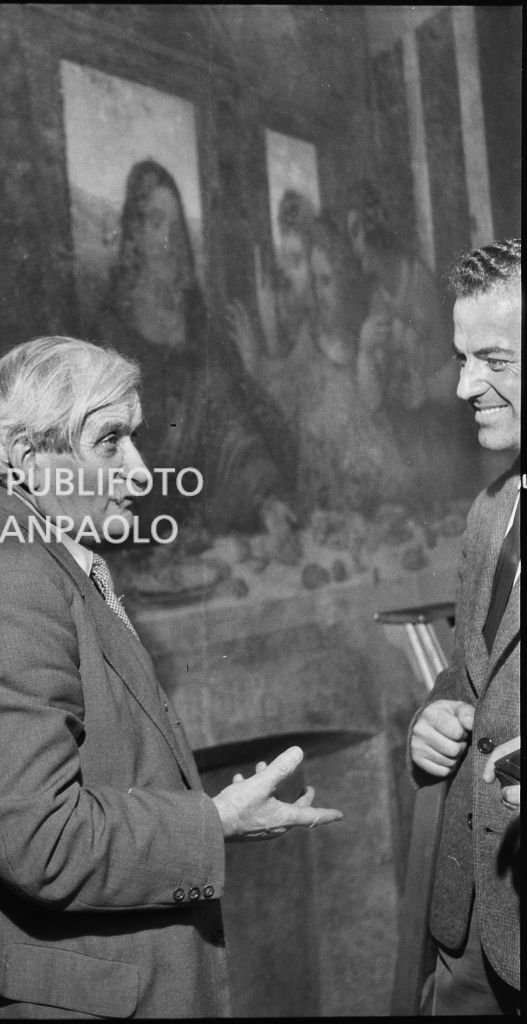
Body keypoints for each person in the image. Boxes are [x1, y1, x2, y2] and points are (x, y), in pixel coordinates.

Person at [0, 335, 343, 1017]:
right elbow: (38, 840)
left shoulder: (12, 553)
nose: (141, 474)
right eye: (110, 442)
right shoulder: (10, 586)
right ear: (28, 459)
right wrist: (214, 822)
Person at [408, 238, 520, 1015]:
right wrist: (432, 716)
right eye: (460, 357)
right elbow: (469, 673)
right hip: (475, 927)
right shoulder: (490, 510)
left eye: (494, 360)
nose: (462, 386)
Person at [92, 160, 296, 540]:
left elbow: (233, 423)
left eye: (176, 225)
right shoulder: (110, 328)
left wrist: (264, 498)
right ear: (134, 233)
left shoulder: (197, 323)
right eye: (155, 222)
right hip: (129, 531)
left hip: (203, 528)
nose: (169, 239)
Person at [229, 205, 410, 516]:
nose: (318, 292)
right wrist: (254, 360)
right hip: (325, 500)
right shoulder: (312, 335)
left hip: (377, 497)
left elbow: (382, 410)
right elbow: (283, 388)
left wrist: (366, 357)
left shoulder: (369, 333)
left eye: (326, 281)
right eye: (314, 280)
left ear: (347, 280)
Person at [346, 180, 479, 503]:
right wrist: (365, 352)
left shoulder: (420, 284)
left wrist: (425, 389)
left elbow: (458, 370)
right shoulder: (377, 296)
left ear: (375, 228)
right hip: (402, 446)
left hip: (439, 443)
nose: (354, 246)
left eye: (356, 232)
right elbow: (373, 401)